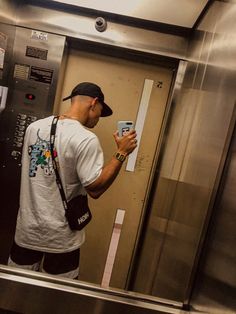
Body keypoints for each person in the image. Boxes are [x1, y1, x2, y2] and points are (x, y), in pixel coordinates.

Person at [8, 82, 137, 279]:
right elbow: (95, 189)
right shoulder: (86, 138)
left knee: (14, 295)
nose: (98, 119)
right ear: (93, 103)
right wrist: (121, 153)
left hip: (26, 231)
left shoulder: (34, 128)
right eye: (100, 112)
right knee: (58, 301)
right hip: (61, 239)